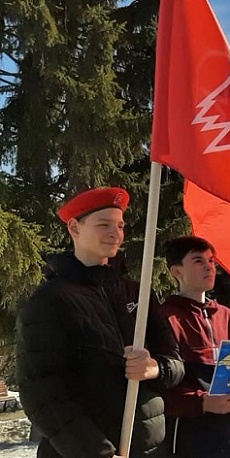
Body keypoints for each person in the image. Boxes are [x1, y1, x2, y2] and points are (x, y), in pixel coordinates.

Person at [16, 187, 185, 458]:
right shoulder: (50, 300)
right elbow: (43, 393)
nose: (115, 233)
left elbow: (176, 365)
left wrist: (154, 368)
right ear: (74, 228)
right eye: (103, 224)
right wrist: (97, 453)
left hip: (148, 448)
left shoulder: (137, 293)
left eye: (120, 225)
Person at [159, 236, 230, 457]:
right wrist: (202, 403)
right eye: (198, 261)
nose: (209, 267)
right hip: (187, 438)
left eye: (212, 261)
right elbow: (159, 389)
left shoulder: (226, 315)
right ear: (176, 271)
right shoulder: (165, 316)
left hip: (227, 437)